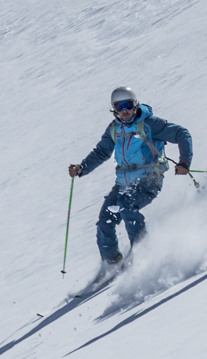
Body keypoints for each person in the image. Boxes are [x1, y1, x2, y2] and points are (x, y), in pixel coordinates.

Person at [67, 87, 193, 270]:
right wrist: (82, 168)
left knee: (126, 205)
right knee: (105, 219)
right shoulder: (114, 129)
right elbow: (102, 151)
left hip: (149, 179)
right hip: (123, 182)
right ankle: (111, 261)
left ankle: (143, 254)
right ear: (114, 109)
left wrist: (184, 162)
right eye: (119, 107)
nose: (124, 111)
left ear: (136, 105)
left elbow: (182, 134)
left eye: (128, 105)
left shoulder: (149, 124)